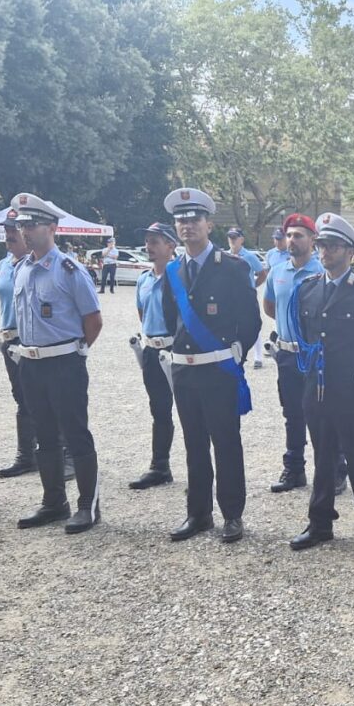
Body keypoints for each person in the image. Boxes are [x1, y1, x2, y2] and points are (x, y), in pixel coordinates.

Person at [288, 213, 354, 558]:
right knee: (323, 457)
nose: (325, 251)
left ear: (350, 252)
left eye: (332, 246)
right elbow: (306, 336)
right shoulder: (308, 289)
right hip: (317, 388)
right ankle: (320, 523)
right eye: (321, 245)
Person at [161, 188, 262, 544]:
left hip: (219, 368)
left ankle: (232, 514)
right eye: (181, 221)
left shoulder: (232, 267)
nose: (187, 226)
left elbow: (251, 320)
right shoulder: (173, 270)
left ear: (208, 224)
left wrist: (235, 354)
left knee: (226, 442)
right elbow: (172, 319)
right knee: (194, 443)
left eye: (194, 220)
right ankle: (198, 513)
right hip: (185, 370)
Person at [9, 193, 103, 534]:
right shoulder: (22, 269)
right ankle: (54, 502)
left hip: (64, 362)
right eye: (23, 225)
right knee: (44, 435)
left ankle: (88, 506)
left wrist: (74, 352)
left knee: (75, 434)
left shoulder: (68, 270)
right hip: (31, 364)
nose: (26, 231)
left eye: (32, 224)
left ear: (52, 228)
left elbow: (93, 320)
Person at [262, 213, 325, 493]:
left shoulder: (322, 270)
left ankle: (333, 469)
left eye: (298, 235)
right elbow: (270, 307)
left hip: (314, 356)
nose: (291, 240)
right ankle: (294, 469)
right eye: (289, 235)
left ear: (312, 240)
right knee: (292, 414)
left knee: (321, 414)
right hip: (287, 354)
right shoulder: (278, 272)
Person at [128, 222, 178, 490]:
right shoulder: (144, 279)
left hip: (176, 350)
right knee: (159, 408)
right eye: (147, 241)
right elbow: (143, 313)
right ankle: (160, 466)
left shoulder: (181, 277)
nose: (149, 246)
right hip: (151, 350)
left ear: (171, 246)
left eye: (155, 241)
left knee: (192, 411)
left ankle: (200, 471)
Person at [0, 209, 37, 478]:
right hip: (9, 338)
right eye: (7, 230)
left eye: (13, 230)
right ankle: (26, 455)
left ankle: (60, 452)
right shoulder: (4, 264)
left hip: (30, 339)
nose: (9, 235)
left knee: (43, 396)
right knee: (21, 396)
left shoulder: (34, 264)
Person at [227, 228, 268, 369]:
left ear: (241, 239)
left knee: (252, 324)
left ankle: (258, 357)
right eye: (230, 237)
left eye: (235, 237)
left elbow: (262, 273)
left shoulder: (249, 256)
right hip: (230, 297)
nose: (232, 240)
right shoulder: (225, 256)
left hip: (246, 297)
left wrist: (252, 286)